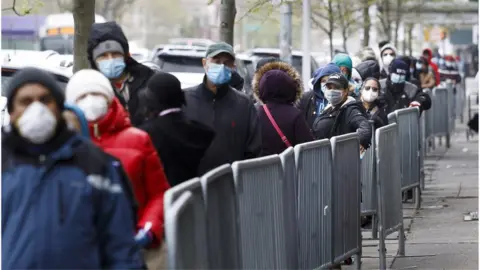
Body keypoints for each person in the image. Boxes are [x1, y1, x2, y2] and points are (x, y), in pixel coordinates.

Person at [2, 67, 144, 269]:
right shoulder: (4, 163)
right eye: (25, 102)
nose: (36, 109)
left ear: (59, 107)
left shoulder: (95, 164)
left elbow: (120, 244)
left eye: (45, 100)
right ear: (12, 111)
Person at [65, 69, 170, 269]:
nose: (90, 100)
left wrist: (148, 228)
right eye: (82, 96)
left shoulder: (138, 140)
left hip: (134, 248)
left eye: (96, 94)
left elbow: (159, 193)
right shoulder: (64, 146)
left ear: (109, 98)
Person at [183, 42, 262, 174]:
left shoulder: (243, 104)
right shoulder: (185, 99)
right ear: (204, 63)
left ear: (233, 67)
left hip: (231, 185)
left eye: (226, 63)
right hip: (192, 185)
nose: (221, 67)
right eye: (216, 61)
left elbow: (254, 149)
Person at [138, 72, 215, 187]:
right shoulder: (200, 131)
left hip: (163, 196)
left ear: (152, 100)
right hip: (195, 196)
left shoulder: (147, 133)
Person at [87, 21, 155, 126]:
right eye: (103, 56)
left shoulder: (149, 80)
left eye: (115, 54)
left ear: (125, 55)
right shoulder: (90, 88)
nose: (110, 60)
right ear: (94, 61)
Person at [252, 60, 314, 155]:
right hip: (289, 168)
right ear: (290, 88)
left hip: (259, 167)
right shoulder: (295, 115)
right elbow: (308, 146)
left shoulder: (255, 113)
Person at [312, 73, 372, 150]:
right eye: (329, 88)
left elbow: (365, 127)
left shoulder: (351, 109)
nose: (331, 91)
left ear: (346, 91)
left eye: (336, 88)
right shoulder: (329, 108)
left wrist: (358, 144)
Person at [297, 63, 342, 128]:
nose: (326, 84)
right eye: (323, 81)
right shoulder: (307, 98)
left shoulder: (343, 99)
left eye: (330, 81)